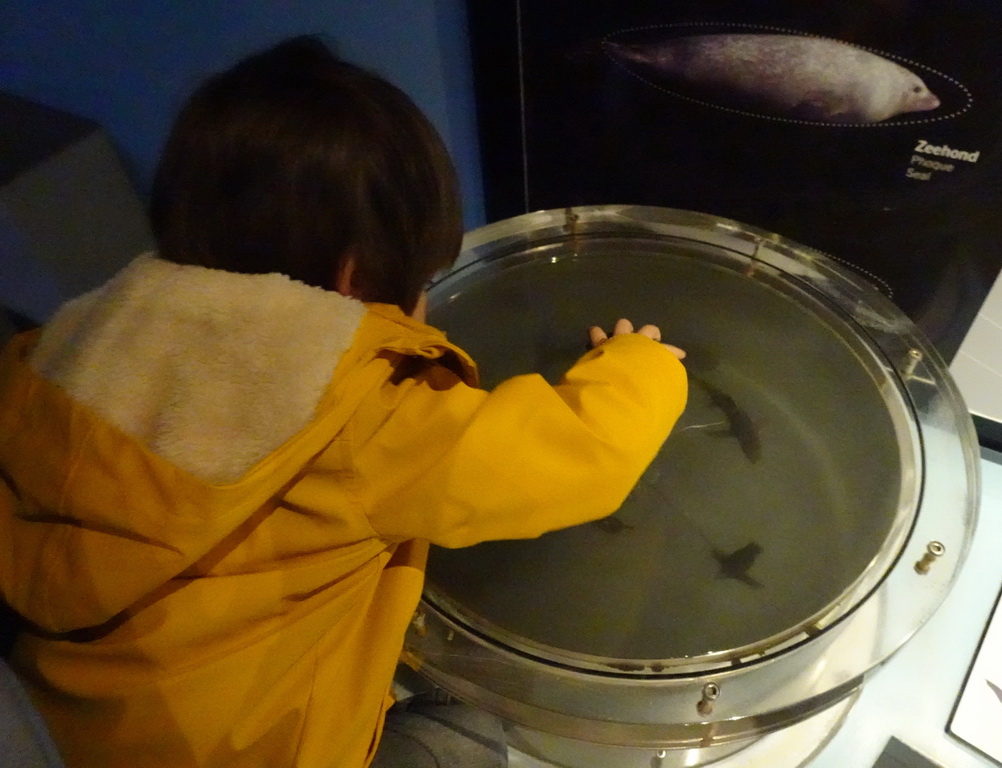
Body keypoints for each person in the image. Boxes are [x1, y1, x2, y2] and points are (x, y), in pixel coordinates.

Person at [0, 36, 687, 768]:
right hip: (261, 754)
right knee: (476, 721)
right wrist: (640, 365)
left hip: (64, 724)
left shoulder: (64, 346)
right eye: (422, 278)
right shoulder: (352, 417)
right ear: (353, 280)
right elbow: (579, 456)